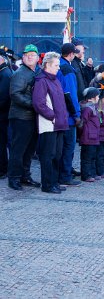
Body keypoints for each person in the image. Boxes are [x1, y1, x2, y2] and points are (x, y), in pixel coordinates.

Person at [32, 52, 69, 194]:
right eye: (56, 65)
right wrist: (52, 116)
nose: (58, 68)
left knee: (57, 155)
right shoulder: (41, 81)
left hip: (59, 123)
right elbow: (39, 104)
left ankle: (54, 182)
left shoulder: (55, 80)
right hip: (49, 124)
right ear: (47, 65)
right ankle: (47, 185)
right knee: (48, 155)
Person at [7, 44, 41, 190]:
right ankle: (13, 178)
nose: (29, 57)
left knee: (29, 150)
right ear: (23, 57)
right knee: (18, 150)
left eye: (32, 55)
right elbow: (15, 94)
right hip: (21, 117)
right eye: (27, 55)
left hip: (31, 117)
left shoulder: (35, 72)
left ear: (38, 58)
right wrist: (34, 105)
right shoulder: (20, 73)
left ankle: (25, 176)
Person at [57, 43, 82, 187]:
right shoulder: (68, 69)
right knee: (68, 147)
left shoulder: (58, 65)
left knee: (62, 147)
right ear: (72, 54)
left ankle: (63, 173)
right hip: (68, 116)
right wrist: (76, 114)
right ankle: (65, 175)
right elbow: (70, 94)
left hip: (60, 113)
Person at [79, 87, 101, 182]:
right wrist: (84, 133)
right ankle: (86, 175)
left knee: (93, 157)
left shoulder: (93, 107)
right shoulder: (88, 108)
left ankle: (92, 173)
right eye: (97, 96)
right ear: (92, 97)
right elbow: (82, 122)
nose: (98, 98)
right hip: (88, 137)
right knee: (87, 158)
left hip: (94, 136)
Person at [0, 49, 13, 179]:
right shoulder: (4, 72)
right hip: (4, 114)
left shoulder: (5, 74)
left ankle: (4, 168)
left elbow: (3, 97)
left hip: (4, 115)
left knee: (4, 143)